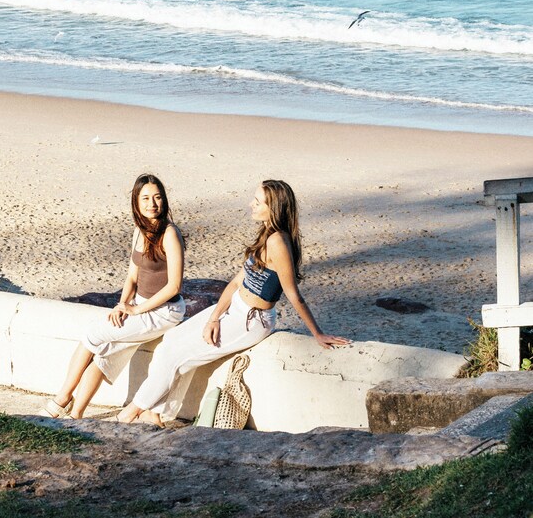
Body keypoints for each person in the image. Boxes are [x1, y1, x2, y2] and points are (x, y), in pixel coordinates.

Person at [117, 179, 350, 426]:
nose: (252, 204)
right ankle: (156, 414)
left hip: (251, 320)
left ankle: (132, 411)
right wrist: (214, 317)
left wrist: (318, 334)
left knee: (178, 358)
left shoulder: (278, 242)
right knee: (170, 343)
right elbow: (235, 283)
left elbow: (293, 294)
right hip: (234, 308)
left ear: (274, 208)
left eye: (258, 201)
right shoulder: (265, 235)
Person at [42, 173, 185, 419]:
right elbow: (132, 277)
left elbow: (174, 286)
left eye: (158, 197)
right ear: (136, 203)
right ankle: (76, 414)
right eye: (146, 198)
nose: (152, 204)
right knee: (104, 353)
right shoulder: (139, 231)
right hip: (139, 305)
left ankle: (61, 398)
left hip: (164, 312)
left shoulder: (170, 233)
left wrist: (136, 310)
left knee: (91, 334)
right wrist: (123, 303)